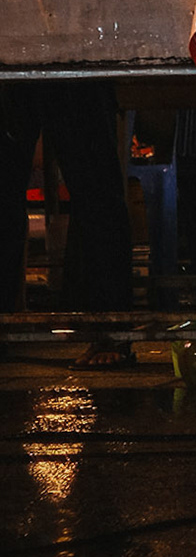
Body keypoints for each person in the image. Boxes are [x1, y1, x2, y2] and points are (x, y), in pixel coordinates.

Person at [0, 81, 134, 367]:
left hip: (75, 67)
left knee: (95, 188)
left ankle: (111, 330)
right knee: (94, 188)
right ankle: (111, 330)